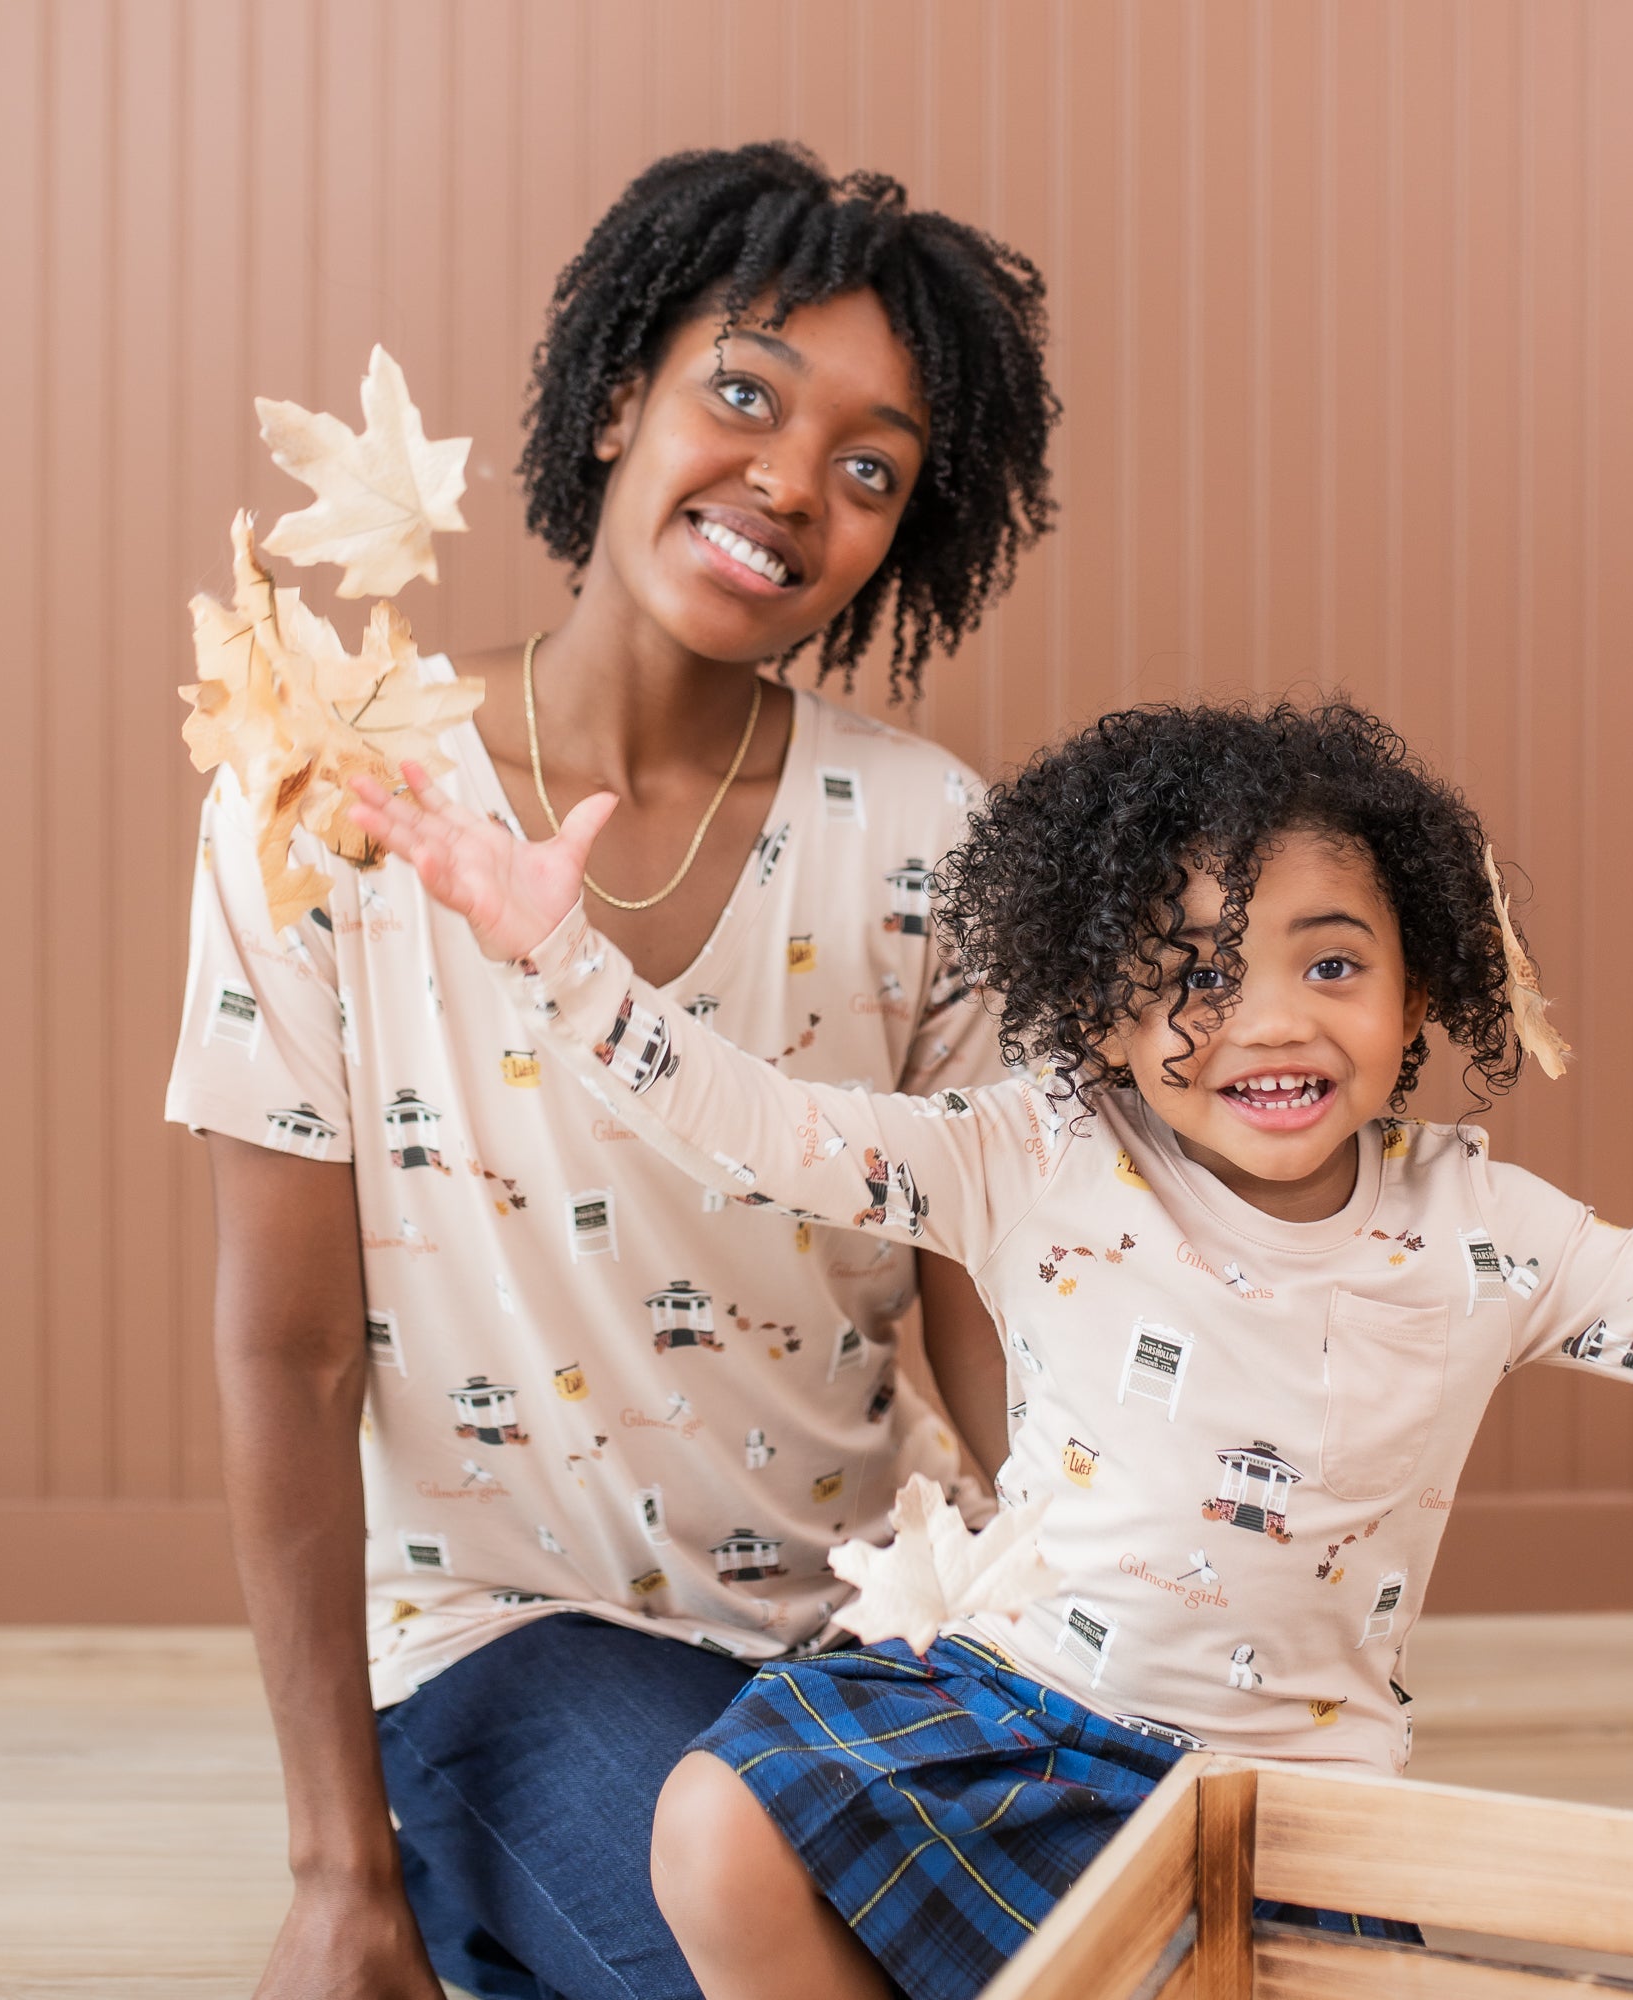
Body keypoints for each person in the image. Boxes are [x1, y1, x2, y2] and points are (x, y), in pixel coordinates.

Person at [349, 697, 1633, 2000]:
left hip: (1285, 1810)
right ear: (1097, 1014)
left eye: (1330, 963)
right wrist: (560, 960)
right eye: (1190, 978)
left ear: (1416, 991)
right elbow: (766, 1135)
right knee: (713, 1820)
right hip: (1021, 1725)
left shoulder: (1483, 1228)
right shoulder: (1040, 1155)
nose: (1270, 1021)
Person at [166, 142, 1059, 2000]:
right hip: (513, 1636)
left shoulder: (926, 838)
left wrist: (1123, 1642)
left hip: (874, 1634)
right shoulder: (334, 794)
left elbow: (993, 1309)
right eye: (743, 391)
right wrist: (339, 1874)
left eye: (871, 467)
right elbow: (288, 1346)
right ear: (612, 402)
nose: (790, 485)